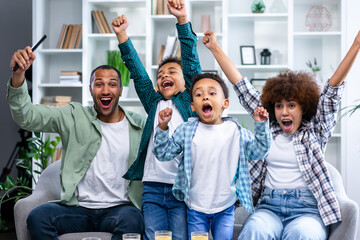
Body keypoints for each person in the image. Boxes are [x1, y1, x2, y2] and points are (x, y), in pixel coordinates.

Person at [203, 30, 360, 239]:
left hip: (307, 210)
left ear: (303, 107)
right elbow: (241, 86)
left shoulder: (316, 131)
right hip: (269, 208)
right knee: (254, 231)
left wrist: (357, 44)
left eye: (292, 105)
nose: (284, 112)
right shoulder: (268, 128)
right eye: (279, 106)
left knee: (303, 235)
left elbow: (332, 91)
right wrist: (214, 47)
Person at [7, 47, 146, 239]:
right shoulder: (73, 115)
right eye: (99, 84)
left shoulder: (139, 125)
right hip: (77, 209)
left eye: (112, 84)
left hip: (120, 210)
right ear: (90, 89)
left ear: (120, 90)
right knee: (38, 218)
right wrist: (18, 76)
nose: (105, 90)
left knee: (133, 220)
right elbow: (27, 116)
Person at [111, 0, 201, 239]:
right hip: (151, 187)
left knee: (180, 237)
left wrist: (182, 20)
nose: (164, 77)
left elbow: (191, 62)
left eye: (172, 72)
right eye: (160, 75)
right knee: (153, 236)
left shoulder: (190, 104)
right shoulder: (154, 103)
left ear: (187, 83)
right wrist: (122, 36)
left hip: (180, 188)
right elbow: (139, 73)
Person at [152, 73, 272, 240]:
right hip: (195, 206)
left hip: (225, 206)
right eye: (199, 94)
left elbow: (260, 151)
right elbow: (162, 153)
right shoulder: (186, 131)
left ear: (225, 103)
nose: (205, 97)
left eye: (212, 93)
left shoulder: (235, 131)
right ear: (193, 106)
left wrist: (260, 125)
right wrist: (163, 128)